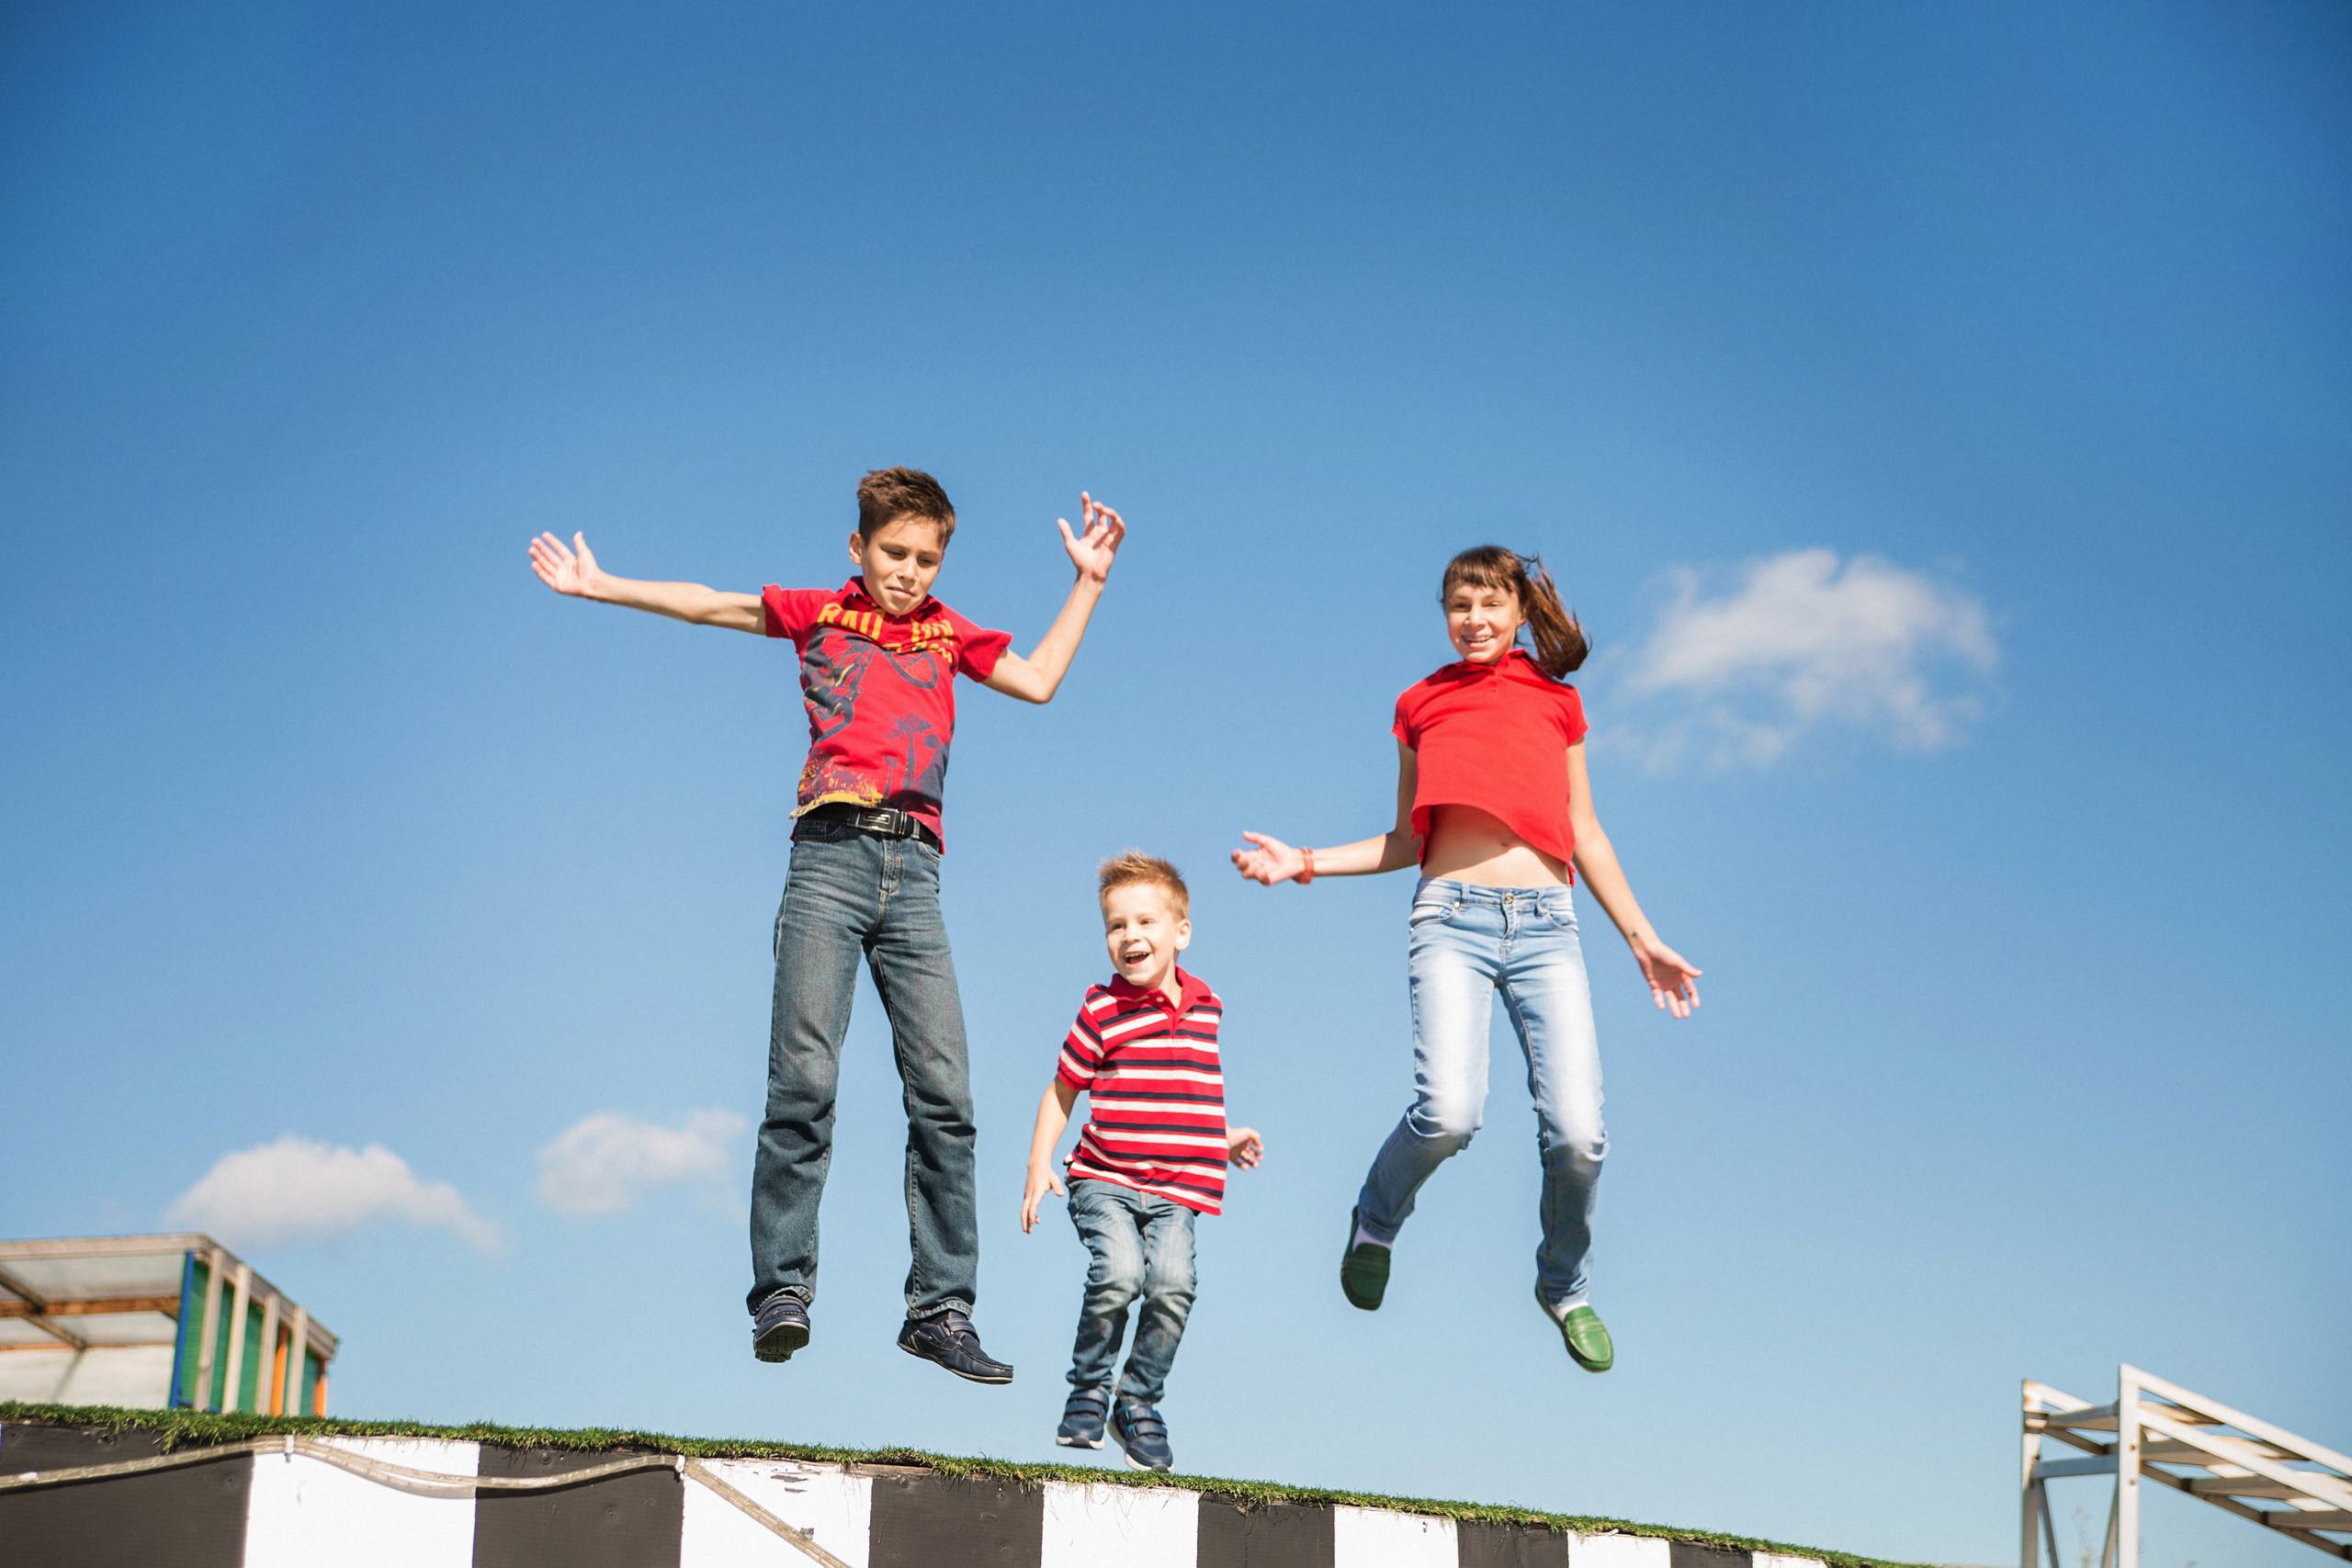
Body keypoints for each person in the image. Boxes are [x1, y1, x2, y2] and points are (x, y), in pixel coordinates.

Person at [528, 467, 1127, 1384]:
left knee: (945, 1096)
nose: (909, 572)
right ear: (858, 549)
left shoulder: (947, 631)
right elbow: (707, 605)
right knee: (803, 1079)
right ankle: (783, 1289)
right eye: (893, 553)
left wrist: (1087, 579)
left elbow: (1039, 681)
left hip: (915, 875)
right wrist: (600, 583)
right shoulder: (822, 612)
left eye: (926, 558)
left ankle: (941, 1309)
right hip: (829, 859)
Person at [1230, 546, 1698, 1373]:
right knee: (1449, 1113)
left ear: (1520, 612)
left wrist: (1641, 937)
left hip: (1549, 926)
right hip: (1451, 918)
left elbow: (1583, 830)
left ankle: (1564, 1284)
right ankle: (1376, 1218)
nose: (1473, 620)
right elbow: (1410, 838)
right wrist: (1301, 859)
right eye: (1458, 605)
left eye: (1489, 604)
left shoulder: (1558, 703)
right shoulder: (1421, 703)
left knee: (1581, 1136)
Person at [1019, 853, 1263, 1472]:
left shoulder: (1206, 1006)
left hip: (1179, 1186)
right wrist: (1038, 1161)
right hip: (1104, 1178)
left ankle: (1138, 1401)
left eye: (1145, 921)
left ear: (1180, 931)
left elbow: (1188, 1090)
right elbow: (1062, 1089)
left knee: (1175, 1284)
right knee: (1121, 1273)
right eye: (1116, 925)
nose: (1131, 936)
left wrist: (1223, 1137)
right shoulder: (1102, 1009)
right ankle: (1089, 1389)